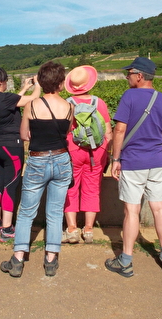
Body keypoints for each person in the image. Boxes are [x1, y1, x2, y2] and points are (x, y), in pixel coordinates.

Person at [105, 57, 162, 277]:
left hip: (133, 163)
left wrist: (115, 159)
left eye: (128, 74)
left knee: (132, 211)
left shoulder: (129, 96)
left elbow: (119, 130)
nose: (126, 77)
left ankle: (126, 260)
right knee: (159, 208)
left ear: (139, 76)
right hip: (156, 162)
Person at [0, 61, 73, 277]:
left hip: (38, 160)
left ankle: (18, 258)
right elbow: (66, 132)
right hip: (61, 160)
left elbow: (24, 135)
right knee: (55, 211)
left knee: (26, 212)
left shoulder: (32, 105)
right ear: (60, 84)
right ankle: (51, 259)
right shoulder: (70, 107)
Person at [0, 67, 41, 242]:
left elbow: (14, 101)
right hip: (11, 146)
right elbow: (33, 99)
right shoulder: (6, 98)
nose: (7, 81)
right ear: (0, 81)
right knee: (11, 184)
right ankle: (7, 228)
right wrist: (37, 84)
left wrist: (24, 87)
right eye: (5, 79)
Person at [62, 65, 112, 244]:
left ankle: (72, 229)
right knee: (92, 189)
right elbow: (108, 132)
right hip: (96, 152)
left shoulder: (67, 103)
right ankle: (89, 230)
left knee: (70, 187)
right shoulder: (100, 103)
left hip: (73, 150)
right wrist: (107, 152)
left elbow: (64, 130)